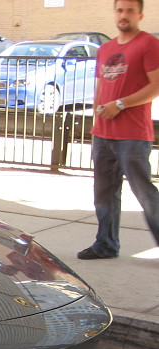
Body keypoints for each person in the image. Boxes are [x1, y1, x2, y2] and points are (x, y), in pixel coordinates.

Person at [79, 0, 159, 259]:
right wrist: (96, 120)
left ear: (140, 15)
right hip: (103, 134)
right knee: (104, 195)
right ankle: (106, 244)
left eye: (130, 11)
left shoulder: (148, 44)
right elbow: (101, 88)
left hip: (132, 136)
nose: (124, 15)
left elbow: (156, 86)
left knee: (145, 194)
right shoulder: (105, 49)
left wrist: (121, 104)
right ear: (115, 13)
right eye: (120, 10)